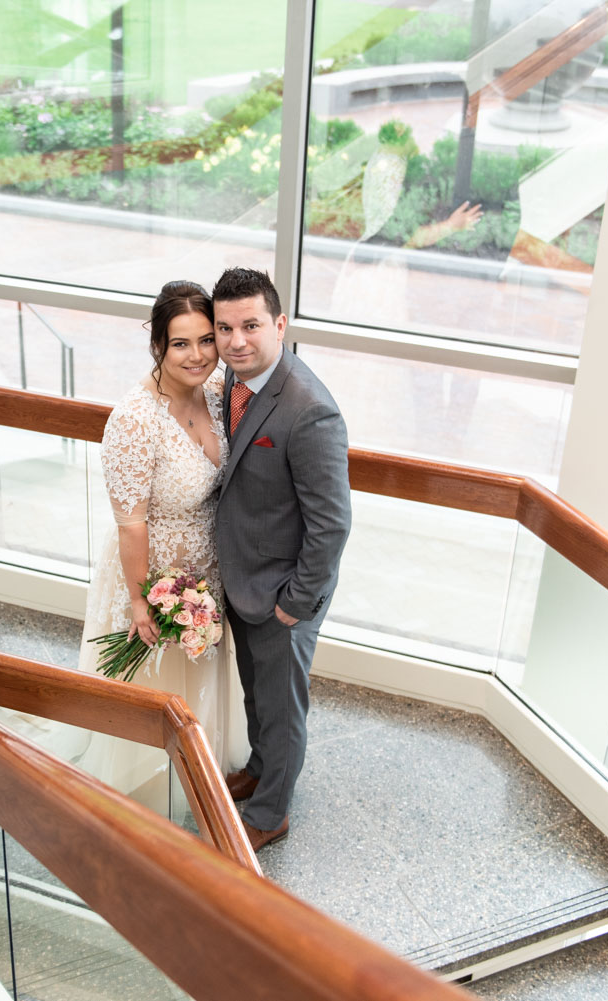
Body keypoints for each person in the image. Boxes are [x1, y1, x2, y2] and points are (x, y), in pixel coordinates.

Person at [76, 280, 248, 808]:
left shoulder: (219, 392)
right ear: (157, 345)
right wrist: (140, 597)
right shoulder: (134, 420)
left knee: (201, 679)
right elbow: (131, 524)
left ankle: (200, 772)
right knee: (157, 686)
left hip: (209, 570)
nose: (197, 356)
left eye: (205, 340)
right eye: (180, 344)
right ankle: (149, 791)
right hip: (154, 573)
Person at [212, 267, 351, 851]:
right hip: (244, 579)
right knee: (255, 690)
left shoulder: (309, 409)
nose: (236, 340)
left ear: (280, 324)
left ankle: (271, 813)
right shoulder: (232, 383)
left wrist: (297, 605)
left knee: (283, 702)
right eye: (224, 328)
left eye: (250, 326)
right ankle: (261, 768)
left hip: (283, 593)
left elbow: (332, 523)